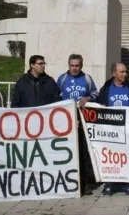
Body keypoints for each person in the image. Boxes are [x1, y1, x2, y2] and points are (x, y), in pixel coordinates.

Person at [56, 53, 98, 195]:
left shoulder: (87, 79)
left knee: (83, 152)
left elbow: (95, 93)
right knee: (67, 151)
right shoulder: (62, 79)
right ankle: (67, 181)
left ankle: (86, 183)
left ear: (81, 66)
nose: (74, 68)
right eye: (72, 65)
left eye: (77, 66)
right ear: (68, 65)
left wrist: (87, 98)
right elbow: (55, 96)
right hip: (66, 121)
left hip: (83, 121)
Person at [96, 62, 129, 196]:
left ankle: (127, 183)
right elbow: (99, 105)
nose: (125, 74)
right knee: (110, 156)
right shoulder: (106, 89)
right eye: (122, 72)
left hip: (127, 129)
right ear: (114, 73)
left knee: (126, 156)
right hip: (110, 130)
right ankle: (109, 183)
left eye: (126, 71)